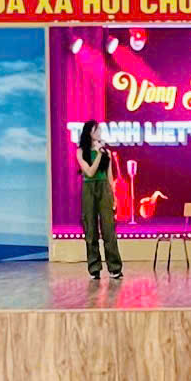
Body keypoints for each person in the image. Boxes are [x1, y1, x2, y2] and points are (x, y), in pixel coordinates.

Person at [76, 120, 122, 280]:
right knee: (90, 229)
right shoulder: (81, 151)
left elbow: (109, 176)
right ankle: (94, 268)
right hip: (89, 188)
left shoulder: (106, 152)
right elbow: (89, 172)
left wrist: (113, 195)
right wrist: (98, 155)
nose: (99, 133)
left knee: (109, 229)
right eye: (96, 130)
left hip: (104, 188)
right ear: (89, 132)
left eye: (100, 130)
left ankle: (115, 268)